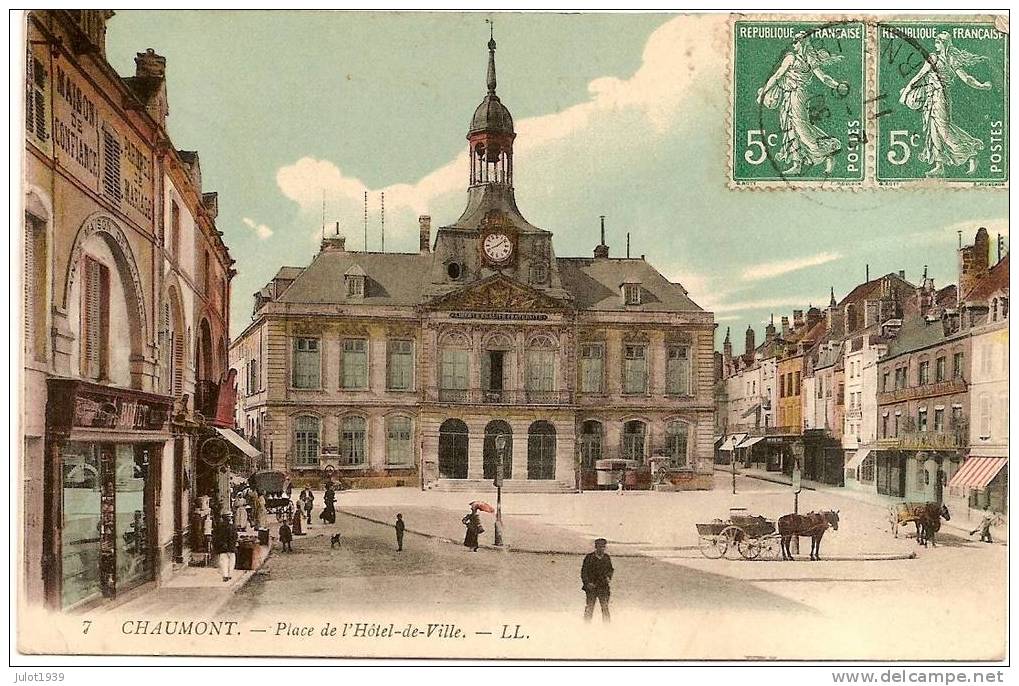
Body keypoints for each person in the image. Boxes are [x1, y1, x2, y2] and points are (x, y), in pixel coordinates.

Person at [899, 32, 991, 177]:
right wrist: (906, 93)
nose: (936, 43)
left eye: (939, 41)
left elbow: (966, 78)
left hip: (941, 97)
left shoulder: (951, 60)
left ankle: (970, 152)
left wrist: (981, 85)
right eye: (936, 40)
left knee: (943, 129)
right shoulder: (933, 58)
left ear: (945, 43)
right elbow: (919, 76)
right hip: (930, 96)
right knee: (933, 129)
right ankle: (939, 165)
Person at [757, 31, 844, 176]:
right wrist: (765, 91)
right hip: (789, 95)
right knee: (790, 128)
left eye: (796, 41)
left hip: (797, 95)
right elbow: (777, 76)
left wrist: (836, 85)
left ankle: (828, 151)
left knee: (801, 128)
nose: (794, 44)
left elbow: (823, 77)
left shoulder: (808, 59)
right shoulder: (792, 58)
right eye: (794, 41)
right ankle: (797, 164)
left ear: (803, 41)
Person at [581, 538, 613, 622]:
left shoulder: (606, 557)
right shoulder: (589, 557)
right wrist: (588, 583)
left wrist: (609, 577)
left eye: (603, 547)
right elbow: (584, 572)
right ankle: (586, 626)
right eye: (600, 547)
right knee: (589, 607)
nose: (602, 548)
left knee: (605, 607)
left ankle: (607, 628)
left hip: (603, 587)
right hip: (591, 587)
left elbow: (610, 569)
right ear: (596, 547)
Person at [212, 513, 238, 582]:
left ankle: (225, 575)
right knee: (231, 562)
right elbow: (235, 536)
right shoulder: (233, 527)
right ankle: (230, 575)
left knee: (224, 562)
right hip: (231, 547)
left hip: (223, 547)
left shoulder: (219, 527)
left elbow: (217, 537)